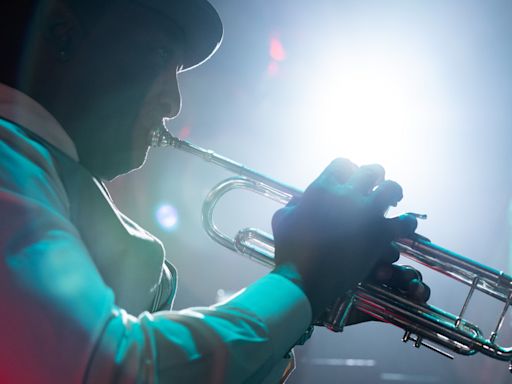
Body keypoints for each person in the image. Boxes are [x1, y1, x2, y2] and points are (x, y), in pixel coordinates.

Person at [0, 0, 429, 382]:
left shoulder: (59, 187)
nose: (174, 102)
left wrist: (306, 304)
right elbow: (113, 369)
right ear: (62, 33)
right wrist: (300, 282)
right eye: (160, 54)